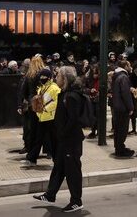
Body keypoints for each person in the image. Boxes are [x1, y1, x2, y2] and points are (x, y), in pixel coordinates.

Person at [33, 66, 85, 212]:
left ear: (65, 78)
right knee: (59, 167)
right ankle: (50, 194)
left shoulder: (71, 96)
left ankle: (76, 201)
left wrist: (63, 133)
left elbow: (73, 120)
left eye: (58, 76)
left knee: (72, 170)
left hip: (71, 140)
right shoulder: (65, 94)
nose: (56, 79)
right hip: (64, 139)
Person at [22, 68, 61, 166]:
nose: (42, 78)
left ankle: (57, 160)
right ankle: (32, 158)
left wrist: (45, 108)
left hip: (51, 118)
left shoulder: (54, 88)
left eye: (44, 77)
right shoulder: (41, 88)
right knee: (38, 138)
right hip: (42, 117)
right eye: (41, 76)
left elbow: (56, 102)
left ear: (49, 77)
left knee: (53, 140)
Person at [17, 55, 45, 154]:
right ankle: (48, 151)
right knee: (44, 129)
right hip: (45, 104)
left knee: (32, 129)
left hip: (32, 104)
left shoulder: (29, 76)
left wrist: (29, 99)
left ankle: (32, 152)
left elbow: (23, 91)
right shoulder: (46, 74)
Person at [111, 60, 135, 157]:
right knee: (122, 129)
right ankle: (121, 149)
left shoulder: (116, 76)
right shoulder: (124, 77)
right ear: (125, 66)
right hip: (122, 107)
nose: (130, 67)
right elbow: (126, 94)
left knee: (118, 129)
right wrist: (131, 107)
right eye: (129, 65)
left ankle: (118, 147)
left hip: (117, 106)